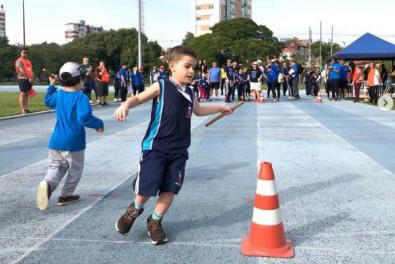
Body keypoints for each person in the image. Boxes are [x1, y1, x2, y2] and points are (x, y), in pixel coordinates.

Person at [113, 46, 233, 245]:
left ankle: (155, 221)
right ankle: (133, 210)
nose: (192, 71)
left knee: (170, 189)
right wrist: (125, 104)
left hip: (179, 150)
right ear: (172, 66)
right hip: (156, 147)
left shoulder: (191, 91)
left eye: (194, 67)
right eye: (187, 66)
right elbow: (138, 97)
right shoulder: (161, 86)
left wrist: (220, 107)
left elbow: (199, 110)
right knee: (146, 188)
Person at [36, 62, 104, 211]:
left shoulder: (58, 95)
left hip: (56, 141)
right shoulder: (81, 97)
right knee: (75, 170)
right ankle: (66, 195)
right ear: (80, 79)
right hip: (74, 142)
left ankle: (47, 184)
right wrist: (98, 123)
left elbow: (48, 101)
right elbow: (84, 117)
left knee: (56, 167)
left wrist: (51, 86)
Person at [15, 47, 34, 114]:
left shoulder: (28, 61)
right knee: (22, 94)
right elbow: (22, 70)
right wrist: (28, 77)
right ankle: (22, 109)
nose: (25, 54)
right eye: (24, 52)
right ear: (21, 53)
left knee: (26, 94)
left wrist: (32, 78)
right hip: (22, 79)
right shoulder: (19, 61)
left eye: (27, 53)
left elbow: (31, 70)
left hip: (29, 79)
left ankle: (25, 109)